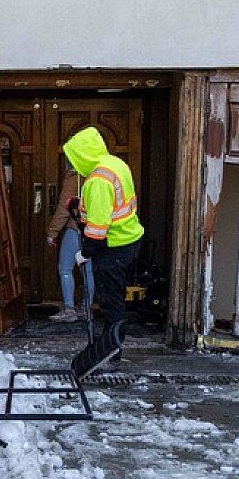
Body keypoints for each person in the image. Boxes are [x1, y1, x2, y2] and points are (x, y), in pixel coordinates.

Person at [63, 126, 144, 354]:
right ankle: (111, 344)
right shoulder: (116, 165)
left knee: (111, 301)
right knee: (114, 296)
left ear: (82, 155)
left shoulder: (97, 180)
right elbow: (111, 204)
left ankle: (112, 349)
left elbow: (97, 230)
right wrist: (81, 205)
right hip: (129, 238)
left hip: (113, 246)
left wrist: (85, 253)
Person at [45, 174, 95, 323]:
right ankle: (87, 309)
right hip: (95, 229)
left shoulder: (75, 177)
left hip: (76, 228)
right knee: (89, 271)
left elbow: (64, 207)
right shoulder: (98, 173)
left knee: (65, 269)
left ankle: (69, 309)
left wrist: (53, 231)